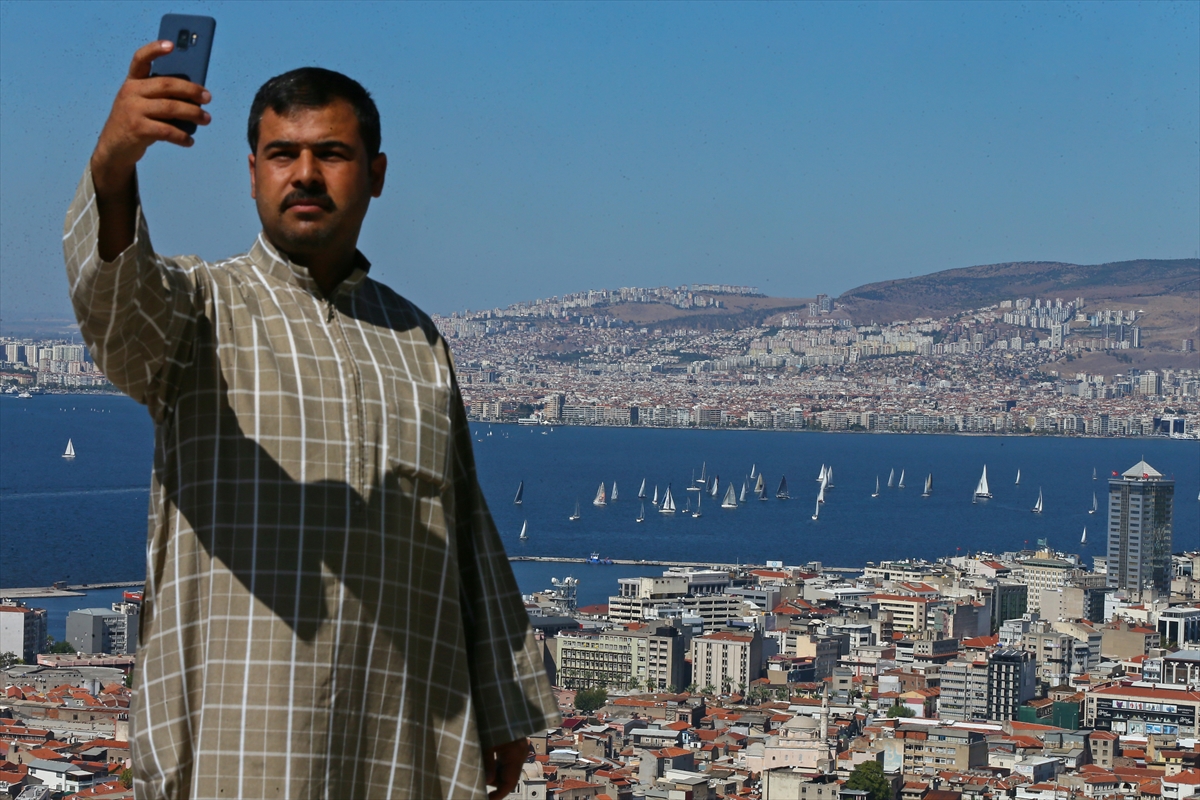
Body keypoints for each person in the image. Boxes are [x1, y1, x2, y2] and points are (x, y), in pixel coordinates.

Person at [64, 40, 558, 800]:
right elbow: (118, 318)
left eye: (331, 153)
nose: (304, 174)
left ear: (377, 175)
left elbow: (465, 531)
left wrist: (502, 707)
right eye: (281, 153)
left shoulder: (417, 339)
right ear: (253, 173)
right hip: (238, 743)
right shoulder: (200, 308)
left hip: (404, 739)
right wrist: (114, 170)